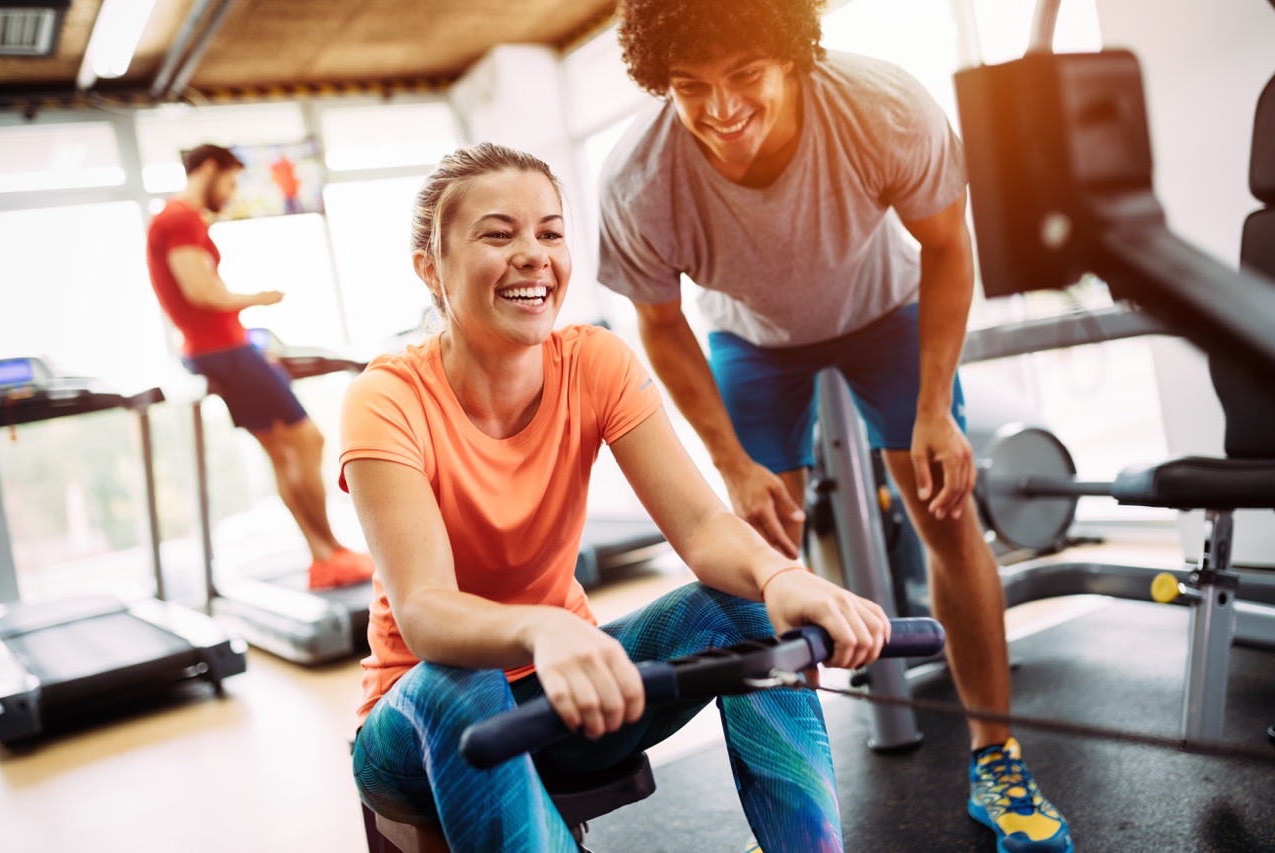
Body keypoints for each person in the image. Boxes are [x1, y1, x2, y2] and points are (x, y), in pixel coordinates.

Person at [595, 2, 1072, 852]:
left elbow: (947, 247)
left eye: (744, 75)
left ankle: (997, 757)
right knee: (756, 552)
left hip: (886, 310)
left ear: (791, 58)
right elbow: (662, 326)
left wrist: (933, 409)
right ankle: (792, 793)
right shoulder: (639, 176)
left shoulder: (879, 107)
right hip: (750, 337)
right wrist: (732, 462)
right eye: (690, 87)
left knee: (944, 507)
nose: (720, 108)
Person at [339, 142, 891, 853]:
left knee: (748, 608)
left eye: (550, 231)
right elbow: (423, 612)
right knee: (464, 681)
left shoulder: (595, 362)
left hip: (570, 692)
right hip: (418, 724)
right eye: (498, 234)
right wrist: (541, 628)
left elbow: (699, 525)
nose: (534, 254)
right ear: (431, 268)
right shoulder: (385, 399)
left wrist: (782, 575)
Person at [146, 143, 374, 590]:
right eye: (229, 181)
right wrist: (262, 298)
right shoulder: (180, 219)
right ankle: (329, 550)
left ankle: (324, 555)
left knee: (282, 450)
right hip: (223, 350)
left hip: (217, 349)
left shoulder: (177, 221)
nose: (230, 192)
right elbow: (201, 293)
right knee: (308, 439)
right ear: (209, 169)